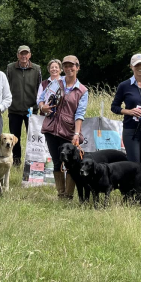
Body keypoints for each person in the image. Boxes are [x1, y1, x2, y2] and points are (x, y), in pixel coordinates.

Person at [37, 55, 87, 200]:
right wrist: (43, 107)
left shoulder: (82, 91)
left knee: (71, 163)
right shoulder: (55, 83)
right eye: (65, 66)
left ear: (77, 67)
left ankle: (69, 195)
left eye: (72, 66)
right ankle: (61, 194)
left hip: (69, 131)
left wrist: (76, 133)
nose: (68, 68)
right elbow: (41, 100)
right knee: (57, 161)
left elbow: (80, 114)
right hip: (51, 128)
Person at [6, 45, 42, 166]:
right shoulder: (10, 68)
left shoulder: (36, 69)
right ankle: (16, 161)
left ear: (30, 55)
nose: (24, 56)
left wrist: (38, 106)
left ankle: (32, 163)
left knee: (32, 138)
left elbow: (40, 88)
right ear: (18, 55)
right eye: (21, 54)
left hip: (31, 110)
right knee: (14, 138)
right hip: (14, 110)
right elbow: (6, 87)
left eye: (26, 54)